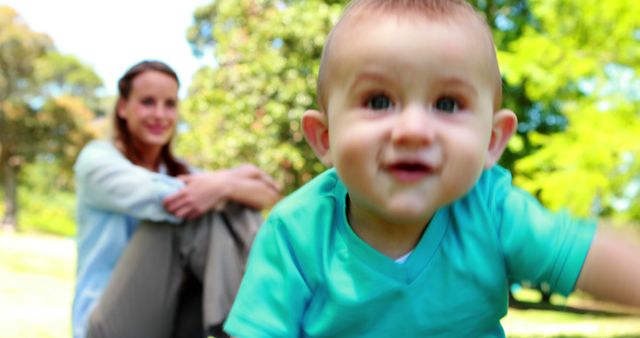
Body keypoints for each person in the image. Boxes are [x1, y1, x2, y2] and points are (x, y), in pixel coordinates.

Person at [223, 0, 640, 336]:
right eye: (379, 101)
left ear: (492, 141)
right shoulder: (296, 232)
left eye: (446, 104)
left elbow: (592, 257)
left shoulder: (491, 210)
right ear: (325, 138)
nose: (413, 130)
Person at [72, 60, 281, 338]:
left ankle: (256, 320)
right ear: (122, 108)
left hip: (169, 320)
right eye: (148, 102)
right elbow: (174, 198)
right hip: (107, 326)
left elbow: (270, 193)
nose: (160, 114)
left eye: (170, 104)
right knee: (191, 214)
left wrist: (225, 184)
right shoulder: (97, 160)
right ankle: (252, 323)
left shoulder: (182, 172)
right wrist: (229, 182)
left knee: (228, 207)